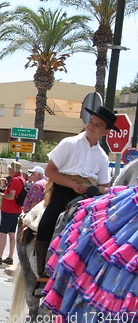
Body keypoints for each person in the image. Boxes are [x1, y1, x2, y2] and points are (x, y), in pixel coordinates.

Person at [33, 106, 119, 297]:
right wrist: (73, 185)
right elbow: (50, 171)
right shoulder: (69, 143)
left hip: (90, 196)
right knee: (47, 222)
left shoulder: (103, 157)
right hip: (64, 191)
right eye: (91, 122)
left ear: (105, 132)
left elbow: (105, 186)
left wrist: (95, 190)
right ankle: (42, 276)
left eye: (98, 125)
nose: (91, 126)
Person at [0, 161, 24, 265]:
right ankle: (10, 257)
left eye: (9, 169)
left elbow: (11, 196)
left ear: (13, 170)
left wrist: (0, 195)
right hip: (15, 210)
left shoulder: (16, 180)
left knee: (3, 233)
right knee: (11, 233)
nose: (8, 171)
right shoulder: (21, 179)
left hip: (9, 210)